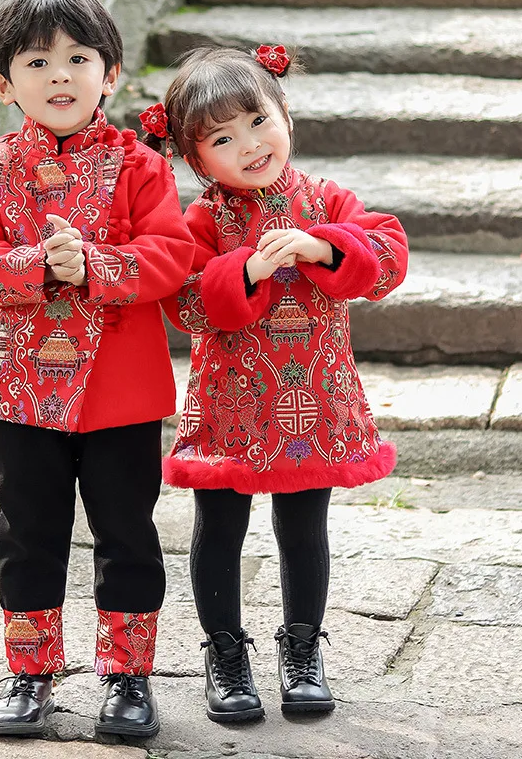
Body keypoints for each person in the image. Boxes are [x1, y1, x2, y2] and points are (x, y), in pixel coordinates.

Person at [0, 0, 194, 738]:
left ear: (110, 75)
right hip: (17, 390)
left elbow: (171, 255)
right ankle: (29, 672)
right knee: (27, 533)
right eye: (37, 60)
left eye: (79, 57)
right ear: (2, 83)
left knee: (128, 534)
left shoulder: (142, 167)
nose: (60, 74)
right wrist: (39, 267)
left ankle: (128, 677)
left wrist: (96, 266)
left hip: (121, 391)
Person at [140, 45, 408, 723]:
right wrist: (248, 273)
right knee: (220, 523)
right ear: (198, 161)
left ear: (284, 113)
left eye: (258, 121)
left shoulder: (326, 199)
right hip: (232, 399)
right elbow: (187, 303)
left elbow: (388, 256)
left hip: (310, 399)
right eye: (223, 139)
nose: (249, 145)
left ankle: (302, 648)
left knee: (304, 525)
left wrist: (325, 246)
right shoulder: (201, 220)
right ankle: (225, 652)